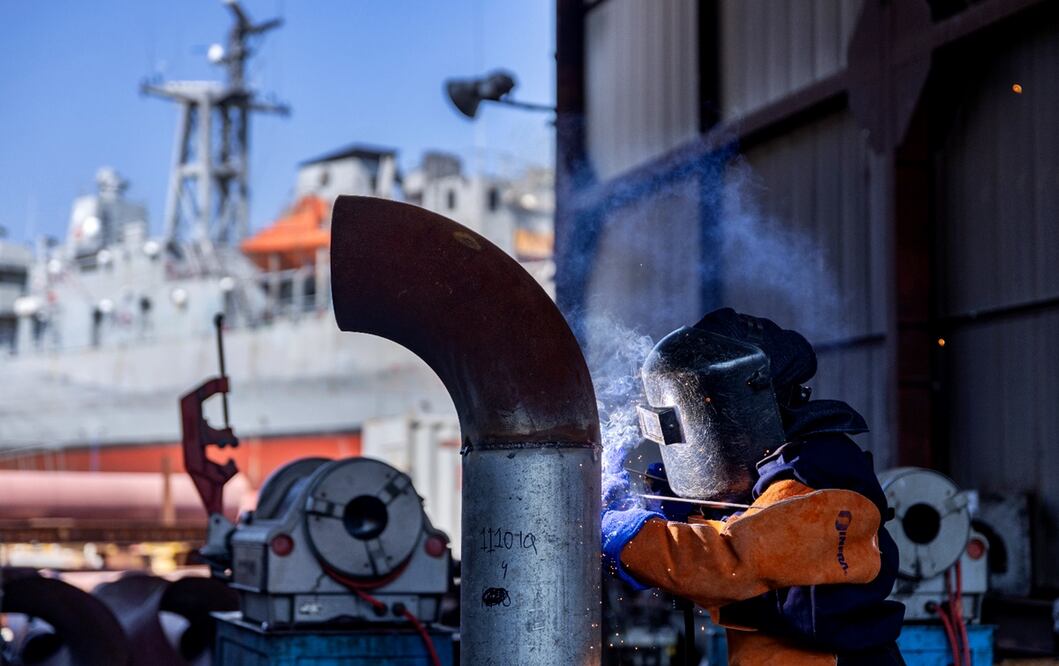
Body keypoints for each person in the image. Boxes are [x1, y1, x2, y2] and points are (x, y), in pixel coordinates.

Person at [602, 308, 905, 665]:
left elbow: (729, 563)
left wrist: (629, 535)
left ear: (743, 406)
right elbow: (751, 551)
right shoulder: (774, 476)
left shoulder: (813, 475)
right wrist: (685, 521)